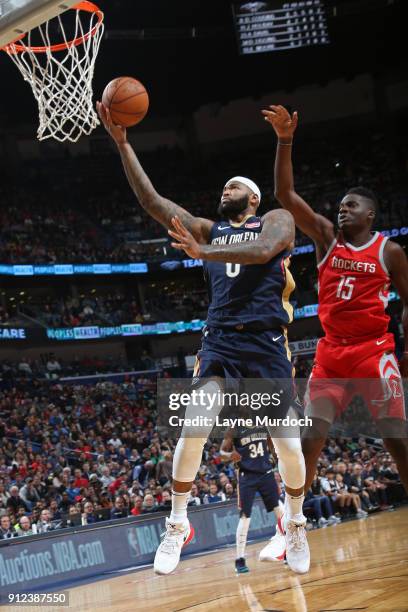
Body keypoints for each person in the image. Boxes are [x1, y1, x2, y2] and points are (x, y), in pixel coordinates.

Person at [97, 102, 309, 576]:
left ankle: (294, 523)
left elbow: (264, 251)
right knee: (194, 426)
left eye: (232, 187)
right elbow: (153, 202)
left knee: (289, 446)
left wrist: (204, 250)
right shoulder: (206, 229)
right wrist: (124, 145)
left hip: (265, 343)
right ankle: (177, 523)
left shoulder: (275, 220)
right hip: (219, 343)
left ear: (252, 198)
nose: (224, 191)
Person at [264, 104, 408, 496]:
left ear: (371, 214)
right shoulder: (327, 238)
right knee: (311, 439)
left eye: (352, 206)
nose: (343, 210)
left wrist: (405, 355)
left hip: (373, 350)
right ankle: (294, 525)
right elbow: (284, 194)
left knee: (397, 442)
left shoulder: (389, 252)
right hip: (332, 353)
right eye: (341, 205)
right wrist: (285, 140)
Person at [221, 427, 285, 574]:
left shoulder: (263, 422)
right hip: (246, 476)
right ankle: (240, 559)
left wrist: (277, 466)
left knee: (279, 509)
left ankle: (288, 548)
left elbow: (272, 446)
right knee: (245, 517)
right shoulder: (233, 428)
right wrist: (230, 455)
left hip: (266, 473)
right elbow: (222, 454)